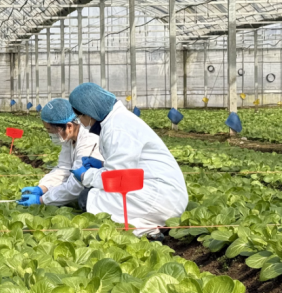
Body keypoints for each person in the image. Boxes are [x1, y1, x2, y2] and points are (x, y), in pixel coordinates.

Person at [67, 82, 187, 239]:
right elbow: (126, 166)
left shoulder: (117, 128)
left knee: (87, 198)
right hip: (162, 192)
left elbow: (117, 179)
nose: (81, 123)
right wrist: (102, 166)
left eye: (79, 117)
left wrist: (86, 175)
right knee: (99, 196)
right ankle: (149, 229)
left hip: (160, 197)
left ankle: (146, 231)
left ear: (88, 114)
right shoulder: (118, 120)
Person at [17, 98, 102, 208]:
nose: (50, 134)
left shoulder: (89, 140)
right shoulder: (68, 137)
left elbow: (77, 184)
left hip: (105, 186)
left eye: (50, 130)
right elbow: (63, 169)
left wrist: (42, 200)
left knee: (85, 198)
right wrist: (43, 188)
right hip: (88, 181)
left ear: (69, 126)